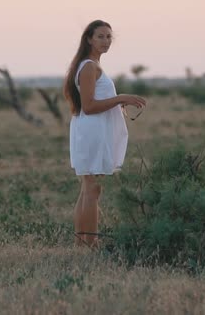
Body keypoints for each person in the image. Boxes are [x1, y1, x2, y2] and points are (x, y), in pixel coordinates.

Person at [63, 20, 146, 247]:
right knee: (92, 189)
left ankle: (82, 244)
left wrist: (116, 104)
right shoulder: (89, 66)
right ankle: (90, 244)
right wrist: (120, 98)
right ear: (89, 39)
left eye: (109, 37)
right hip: (92, 132)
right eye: (100, 36)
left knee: (87, 188)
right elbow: (89, 106)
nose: (106, 41)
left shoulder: (90, 65)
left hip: (91, 130)